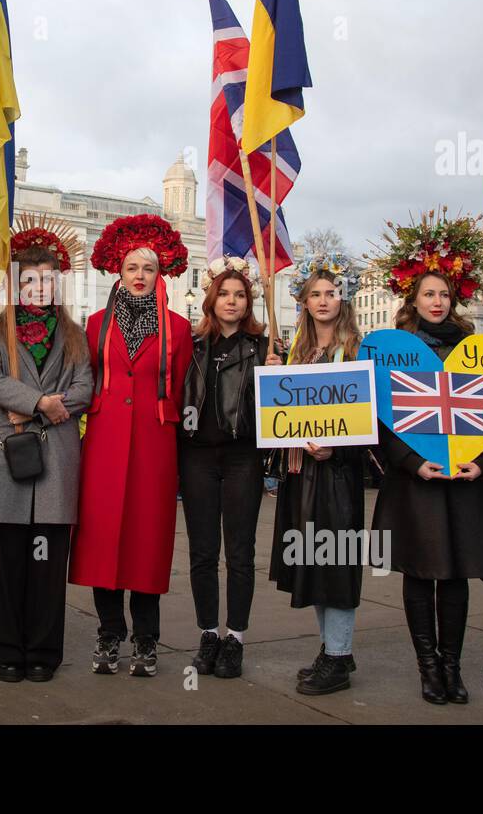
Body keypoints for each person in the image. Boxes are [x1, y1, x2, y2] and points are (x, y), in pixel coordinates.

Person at [368, 214, 483, 705]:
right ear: (413, 300)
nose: (437, 302)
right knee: (419, 573)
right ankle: (427, 666)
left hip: (463, 481)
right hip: (416, 482)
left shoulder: (477, 351)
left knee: (454, 576)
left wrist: (482, 464)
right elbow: (380, 419)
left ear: (453, 300)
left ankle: (453, 666)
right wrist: (411, 461)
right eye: (428, 294)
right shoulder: (390, 352)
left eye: (444, 294)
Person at [70, 214, 192, 678]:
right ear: (118, 274)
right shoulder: (96, 323)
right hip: (103, 442)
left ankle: (145, 638)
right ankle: (108, 632)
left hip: (154, 445)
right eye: (132, 268)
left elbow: (179, 387)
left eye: (148, 269)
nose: (140, 276)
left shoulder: (178, 329)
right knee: (101, 539)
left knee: (147, 538)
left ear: (160, 275)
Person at [0, 216, 92, 682]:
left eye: (47, 279)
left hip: (56, 461)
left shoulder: (75, 334)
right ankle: (5, 650)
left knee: (46, 564)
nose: (39, 287)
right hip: (6, 454)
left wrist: (39, 409)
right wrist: (37, 400)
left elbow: (85, 388)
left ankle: (44, 651)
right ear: (16, 284)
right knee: (4, 562)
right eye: (29, 279)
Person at [268, 254, 366, 696]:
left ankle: (339, 656)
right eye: (315, 295)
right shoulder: (296, 352)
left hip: (339, 474)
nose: (324, 301)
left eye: (331, 293)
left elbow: (371, 419)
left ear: (343, 300)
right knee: (313, 563)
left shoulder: (360, 350)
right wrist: (272, 383)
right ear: (303, 303)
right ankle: (331, 649)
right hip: (301, 473)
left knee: (337, 563)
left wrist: (338, 446)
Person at [178, 256, 269, 679]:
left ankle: (236, 638)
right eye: (225, 295)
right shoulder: (193, 347)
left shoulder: (263, 349)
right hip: (197, 456)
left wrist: (278, 376)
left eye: (240, 295)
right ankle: (208, 632)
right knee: (202, 552)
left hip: (241, 457)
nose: (232, 302)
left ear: (248, 302)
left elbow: (281, 406)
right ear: (211, 300)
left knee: (239, 552)